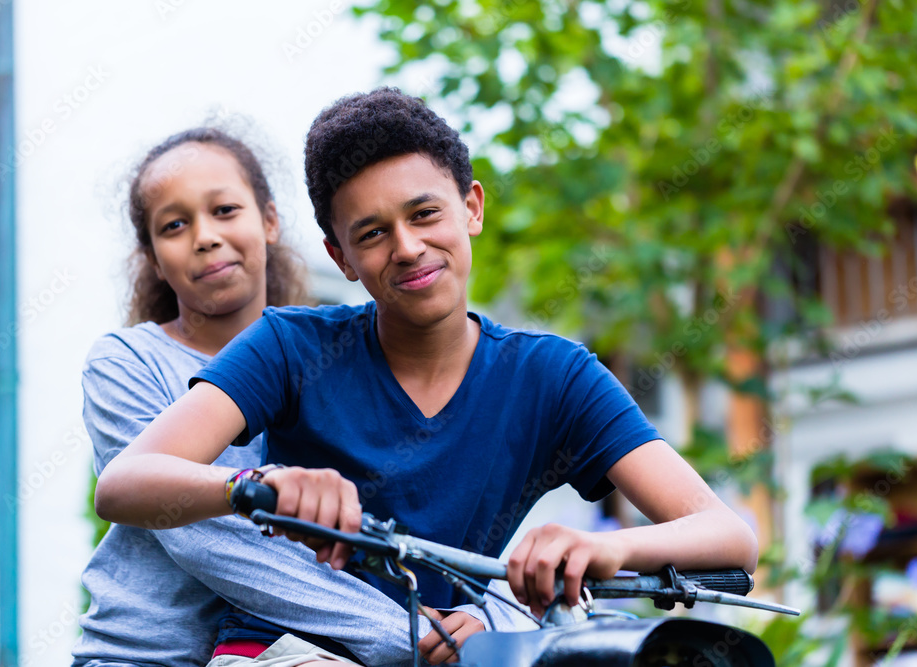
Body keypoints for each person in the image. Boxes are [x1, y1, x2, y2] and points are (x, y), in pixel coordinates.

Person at [95, 89, 760, 665]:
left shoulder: (555, 375)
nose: (408, 248)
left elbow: (729, 537)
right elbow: (126, 482)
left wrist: (600, 547)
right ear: (341, 257)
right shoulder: (289, 346)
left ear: (471, 207)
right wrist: (257, 484)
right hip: (283, 650)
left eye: (425, 214)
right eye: (372, 233)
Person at [72, 125, 434, 667]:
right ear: (153, 258)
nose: (205, 236)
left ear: (269, 220)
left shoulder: (331, 359)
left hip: (300, 652)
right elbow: (202, 533)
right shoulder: (127, 362)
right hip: (145, 657)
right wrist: (405, 633)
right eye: (174, 225)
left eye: (224, 210)